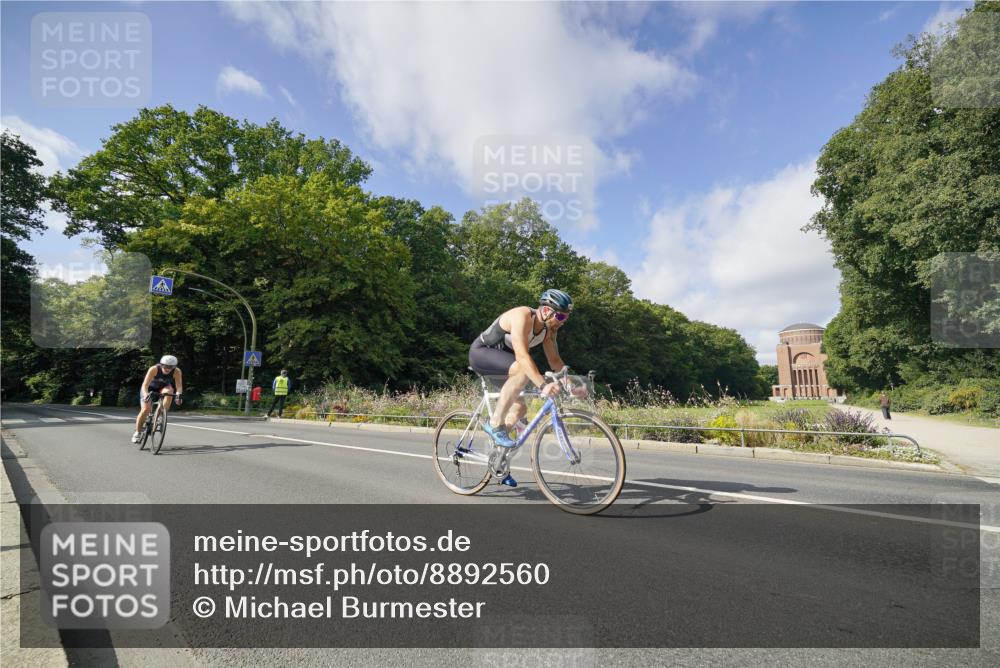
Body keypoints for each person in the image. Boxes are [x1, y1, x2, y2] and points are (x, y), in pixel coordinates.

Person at [468, 289, 573, 487]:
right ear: (545, 310)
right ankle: (495, 423)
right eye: (560, 315)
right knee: (524, 370)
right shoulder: (522, 315)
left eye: (565, 318)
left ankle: (499, 460)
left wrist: (569, 381)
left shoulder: (549, 331)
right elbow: (522, 357)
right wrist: (543, 385)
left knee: (520, 409)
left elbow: (555, 361)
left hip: (506, 366)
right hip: (482, 354)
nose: (562, 321)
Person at [132, 355, 183, 442]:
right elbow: (145, 385)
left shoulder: (177, 371)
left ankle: (161, 414)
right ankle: (137, 432)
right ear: (161, 364)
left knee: (170, 391)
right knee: (145, 410)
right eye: (165, 366)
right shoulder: (154, 369)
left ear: (174, 367)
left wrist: (178, 396)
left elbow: (179, 387)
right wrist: (145, 395)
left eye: (171, 367)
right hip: (149, 389)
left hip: (162, 388)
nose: (167, 369)